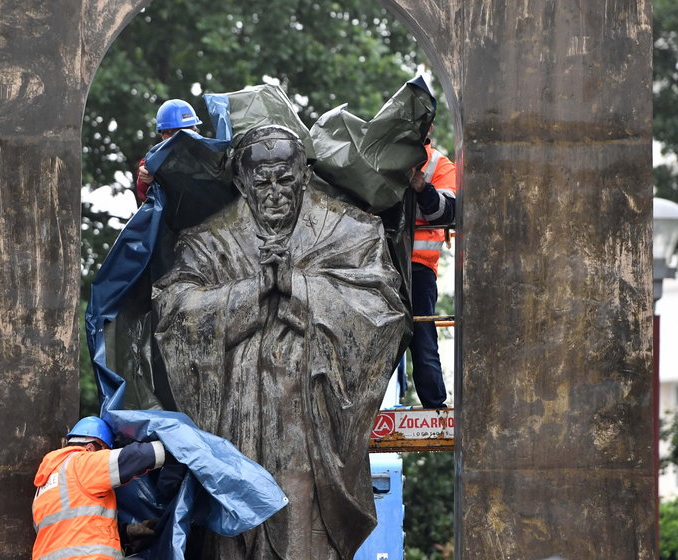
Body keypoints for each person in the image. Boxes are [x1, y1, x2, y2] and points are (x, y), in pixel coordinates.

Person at [152, 125, 409, 559]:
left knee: (302, 530)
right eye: (261, 181)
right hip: (235, 427)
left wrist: (296, 287)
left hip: (309, 428)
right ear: (240, 183)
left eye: (285, 179)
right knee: (232, 532)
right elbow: (175, 312)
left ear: (305, 176)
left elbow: (383, 313)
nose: (274, 193)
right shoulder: (209, 241)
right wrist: (252, 290)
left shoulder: (352, 232)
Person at [31, 416, 166, 560]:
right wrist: (175, 446)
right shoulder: (81, 462)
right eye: (105, 451)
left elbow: (74, 528)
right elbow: (135, 457)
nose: (105, 455)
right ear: (91, 448)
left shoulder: (44, 486)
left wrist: (126, 533)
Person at [407, 126, 456, 409]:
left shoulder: (438, 163)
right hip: (382, 266)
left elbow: (447, 211)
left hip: (418, 268)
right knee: (378, 337)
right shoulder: (383, 158)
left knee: (422, 335)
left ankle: (435, 404)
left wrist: (423, 189)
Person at [135, 99, 203, 206]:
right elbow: (145, 194)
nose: (192, 137)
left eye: (193, 131)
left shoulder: (207, 152)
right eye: (185, 133)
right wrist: (147, 179)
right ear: (166, 137)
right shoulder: (154, 162)